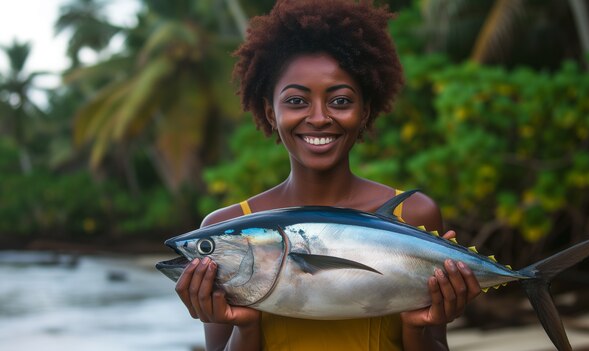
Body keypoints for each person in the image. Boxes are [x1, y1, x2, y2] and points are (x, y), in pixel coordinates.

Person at [175, 1, 482, 350]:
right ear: (269, 112)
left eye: (339, 101)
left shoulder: (412, 214)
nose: (319, 117)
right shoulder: (227, 229)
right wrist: (246, 327)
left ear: (365, 111)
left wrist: (418, 327)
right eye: (296, 101)